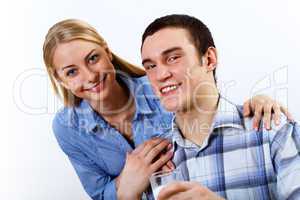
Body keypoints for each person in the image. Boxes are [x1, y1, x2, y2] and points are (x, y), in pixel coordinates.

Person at [43, 19, 290, 200]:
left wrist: (260, 101)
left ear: (107, 52)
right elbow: (100, 194)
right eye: (71, 72)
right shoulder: (67, 127)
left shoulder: (160, 89)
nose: (90, 76)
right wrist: (126, 187)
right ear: (60, 79)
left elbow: (209, 108)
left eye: (93, 58)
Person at [140, 14, 300, 200]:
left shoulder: (273, 132)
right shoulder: (156, 161)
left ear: (209, 59)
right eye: (150, 66)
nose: (160, 75)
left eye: (173, 58)